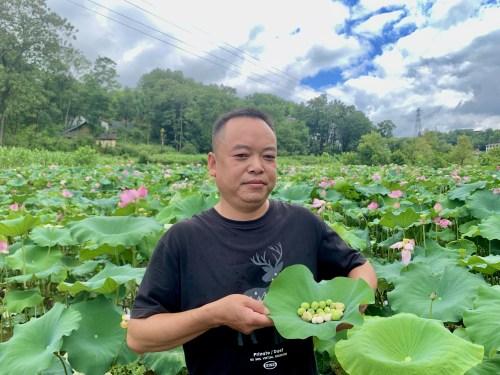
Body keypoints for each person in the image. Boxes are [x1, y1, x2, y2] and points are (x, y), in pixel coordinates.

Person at [127, 108, 377, 375]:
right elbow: (139, 336)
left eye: (268, 156)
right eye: (242, 155)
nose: (257, 166)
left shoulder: (303, 224)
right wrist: (212, 315)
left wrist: (349, 307)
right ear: (213, 164)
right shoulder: (182, 240)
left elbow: (359, 267)